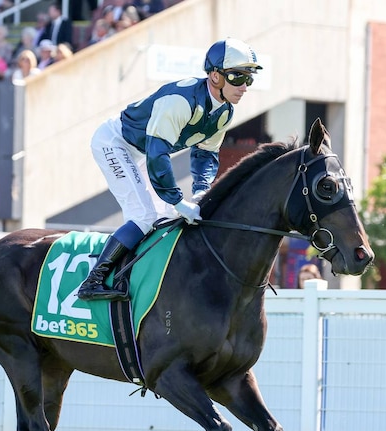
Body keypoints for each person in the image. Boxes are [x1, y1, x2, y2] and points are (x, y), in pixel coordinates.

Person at [77, 37, 262, 301]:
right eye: (237, 77)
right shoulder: (180, 101)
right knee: (143, 215)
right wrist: (177, 199)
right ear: (214, 76)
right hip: (115, 143)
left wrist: (200, 191)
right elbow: (157, 154)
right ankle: (93, 280)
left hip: (141, 152)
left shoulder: (224, 112)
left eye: (249, 79)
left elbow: (205, 153)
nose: (244, 86)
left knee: (163, 219)